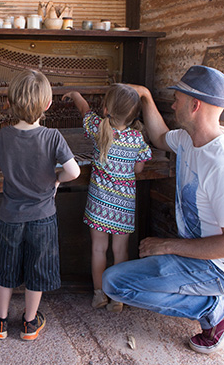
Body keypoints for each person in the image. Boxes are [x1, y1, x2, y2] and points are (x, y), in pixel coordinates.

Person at [101, 65, 224, 354]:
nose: (172, 104)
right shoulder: (188, 139)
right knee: (124, 275)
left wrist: (167, 246)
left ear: (195, 105)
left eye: (177, 100)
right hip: (198, 255)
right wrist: (145, 96)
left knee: (115, 284)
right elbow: (159, 138)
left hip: (218, 265)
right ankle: (221, 294)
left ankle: (218, 308)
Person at [0, 69, 81, 341]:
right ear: (48, 105)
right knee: (37, 269)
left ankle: (0, 321)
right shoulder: (53, 136)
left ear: (10, 103)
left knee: (6, 266)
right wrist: (57, 180)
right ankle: (29, 322)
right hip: (43, 217)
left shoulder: (3, 135)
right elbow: (74, 172)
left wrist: (5, 166)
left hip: (10, 216)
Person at [63, 85, 152, 312]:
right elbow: (139, 169)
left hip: (99, 204)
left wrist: (75, 94)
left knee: (98, 249)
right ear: (134, 115)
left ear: (105, 109)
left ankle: (99, 294)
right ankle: (117, 298)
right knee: (121, 251)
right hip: (123, 206)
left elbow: (84, 109)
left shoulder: (98, 129)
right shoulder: (136, 138)